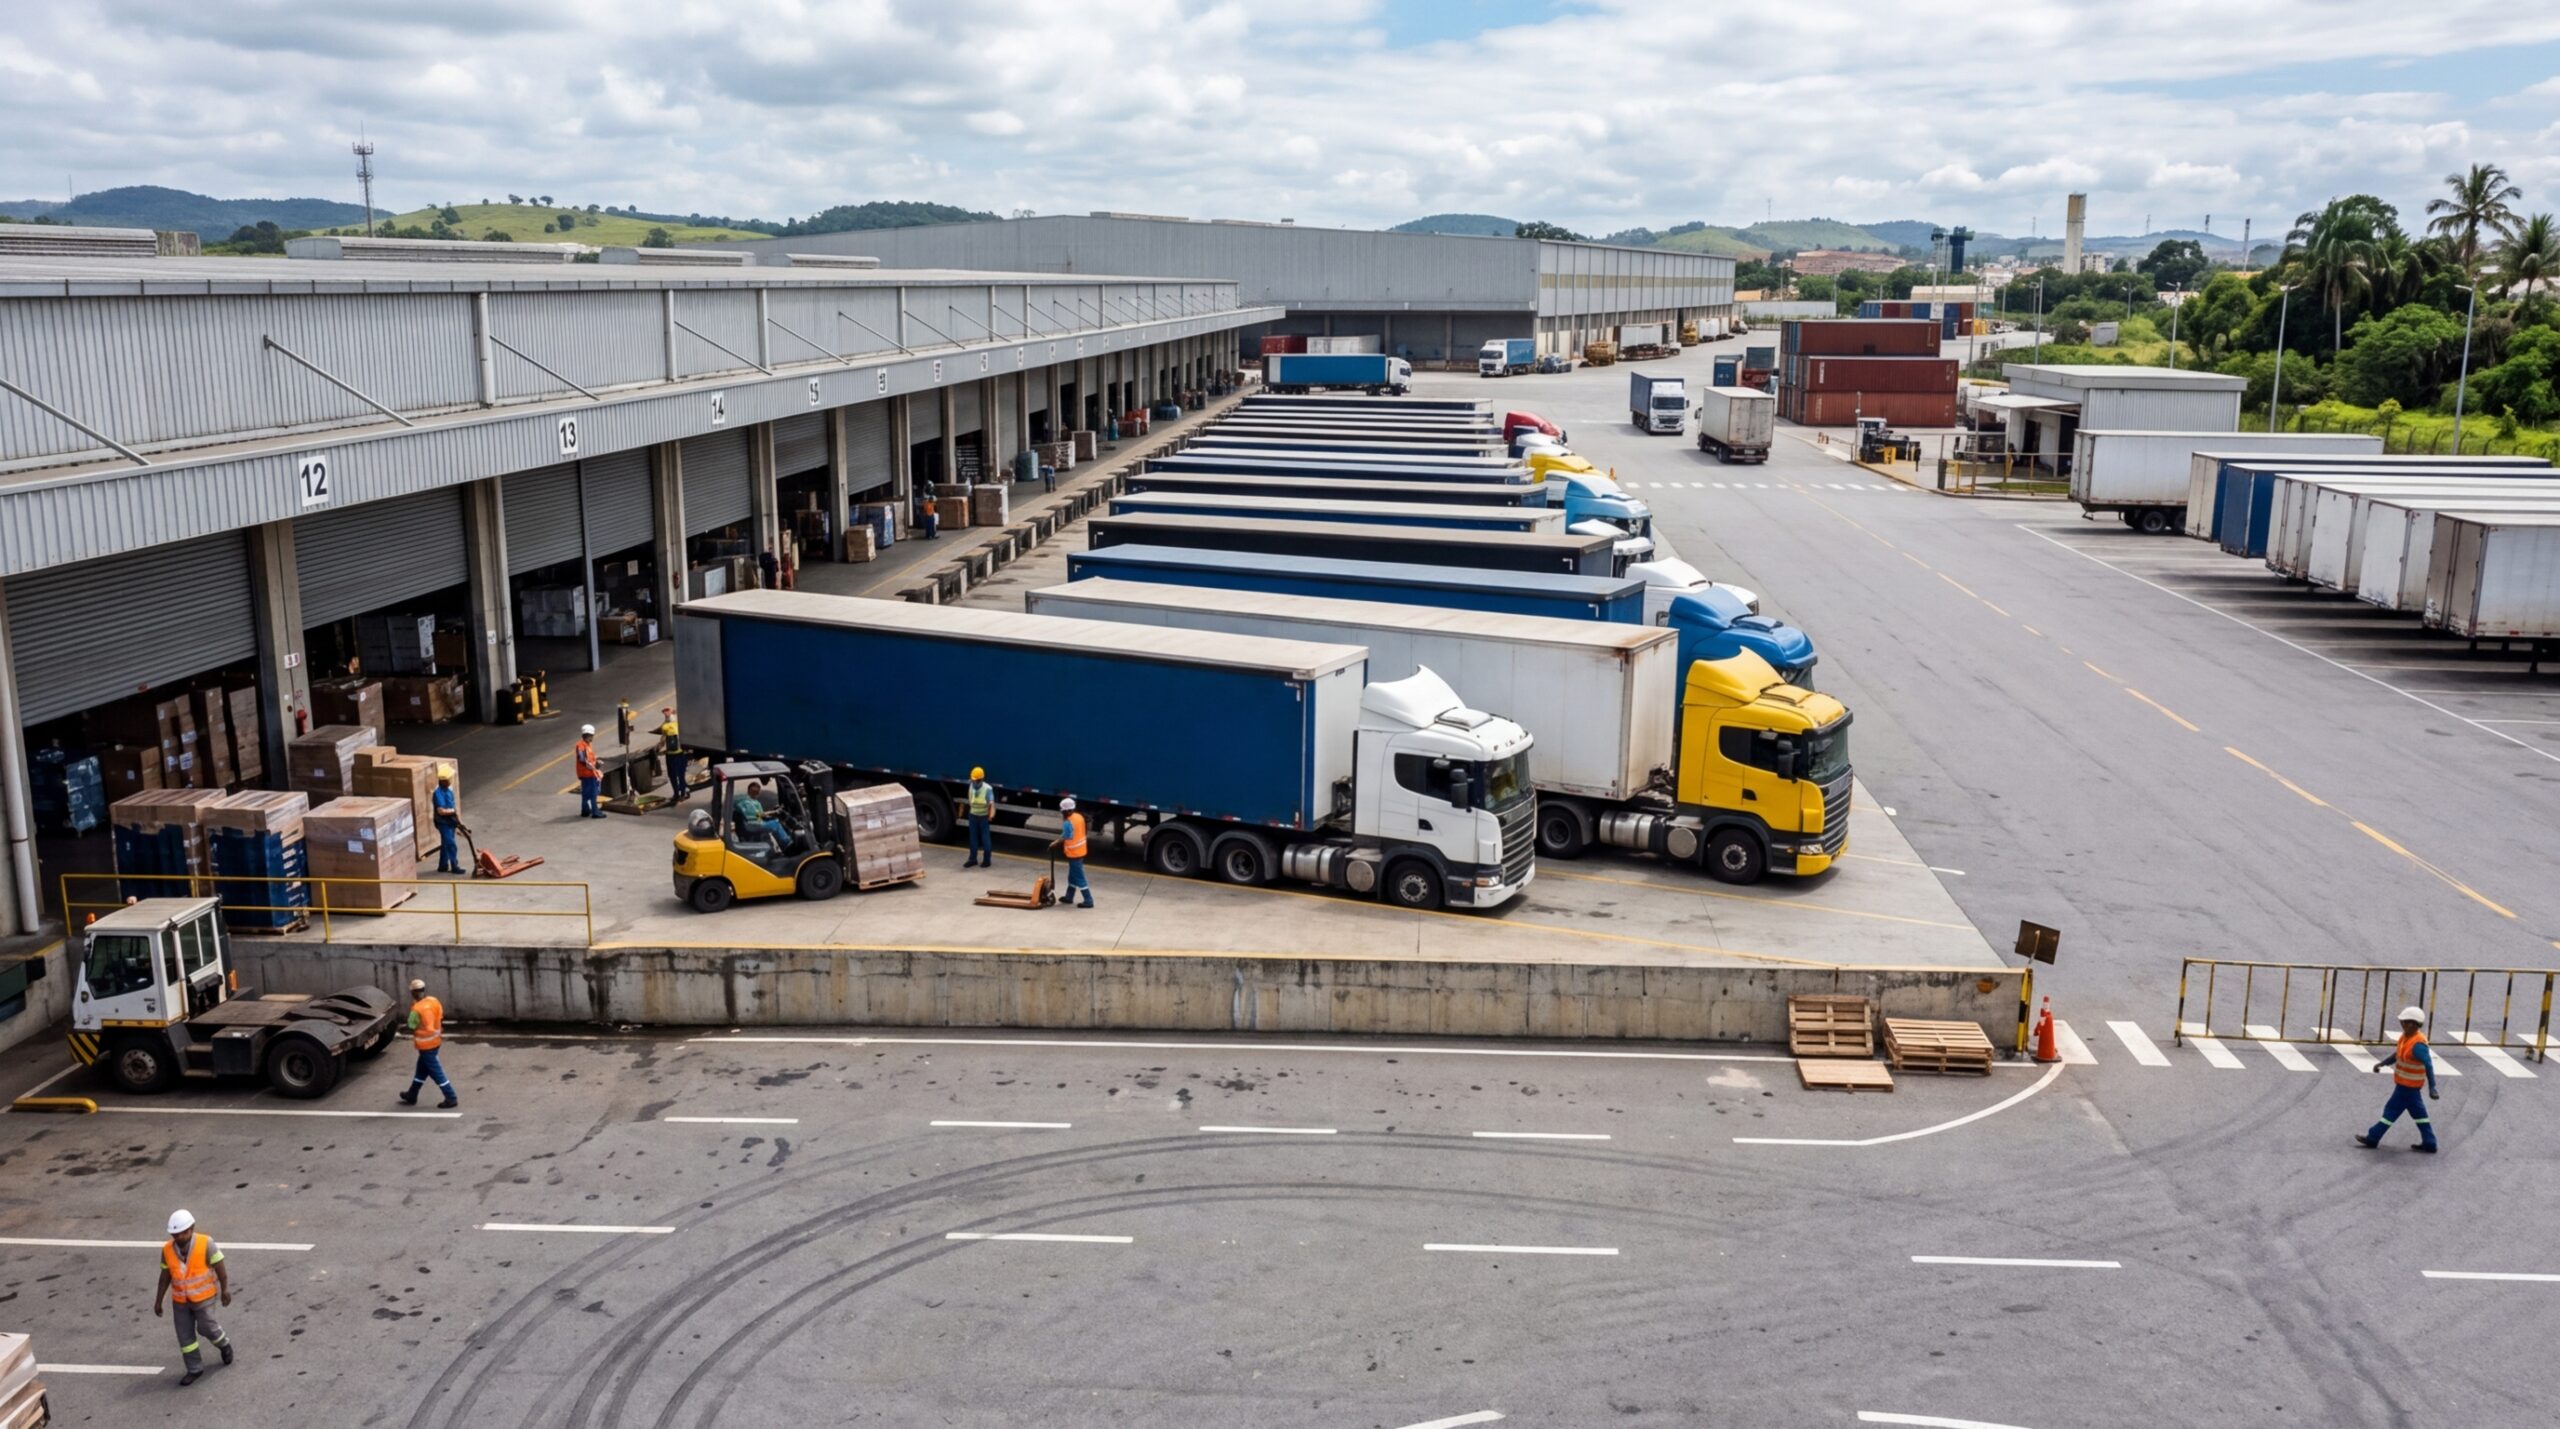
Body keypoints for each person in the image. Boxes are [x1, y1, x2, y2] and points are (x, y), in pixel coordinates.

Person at [154, 1208, 233, 1386]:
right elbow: (164, 1277)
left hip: (204, 1298)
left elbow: (220, 1267)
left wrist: (225, 1289)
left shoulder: (206, 1243)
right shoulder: (167, 1250)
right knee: (185, 1338)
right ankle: (194, 1368)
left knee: (207, 1327)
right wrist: (158, 1301)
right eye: (175, 1234)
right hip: (181, 1302)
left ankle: (223, 1344)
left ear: (191, 1229)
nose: (179, 1237)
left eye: (183, 1233)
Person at [2359, 1006, 2440, 1152]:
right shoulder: (2405, 1038)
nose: (2402, 1024)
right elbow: (2398, 1054)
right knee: (2419, 1114)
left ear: (2413, 1024)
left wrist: (2432, 1087)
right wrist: (2382, 1063)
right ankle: (2429, 1142)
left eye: (2404, 1022)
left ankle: (2373, 1137)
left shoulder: (2418, 1045)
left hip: (2408, 1086)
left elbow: (2428, 1065)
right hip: (2405, 1085)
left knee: (2391, 1111)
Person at [399, 978, 459, 1109]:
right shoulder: (434, 1001)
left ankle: (451, 1097)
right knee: (421, 1071)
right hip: (436, 1041)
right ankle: (412, 1094)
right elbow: (440, 1016)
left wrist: (403, 1028)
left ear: (413, 992)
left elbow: (411, 1026)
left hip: (425, 1045)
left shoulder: (416, 1009)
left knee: (437, 1073)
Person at [1048, 796, 1092, 909]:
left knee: (1079, 877)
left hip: (1074, 853)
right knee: (1072, 876)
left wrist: (1055, 843)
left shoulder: (1068, 822)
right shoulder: (1079, 817)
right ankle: (1069, 896)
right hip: (1081, 851)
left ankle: (1088, 900)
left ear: (1067, 811)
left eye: (1062, 811)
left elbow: (1066, 836)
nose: (1062, 813)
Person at [733, 780, 792, 856]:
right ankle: (787, 844)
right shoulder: (753, 802)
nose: (757, 794)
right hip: (754, 825)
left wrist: (770, 813)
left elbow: (757, 815)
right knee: (776, 824)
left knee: (772, 823)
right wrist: (775, 812)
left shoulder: (740, 801)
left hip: (749, 824)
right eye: (757, 793)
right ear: (757, 793)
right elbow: (760, 815)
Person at [430, 766, 462, 875]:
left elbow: (453, 806)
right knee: (450, 843)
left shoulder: (449, 790)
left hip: (451, 821)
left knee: (445, 844)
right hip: (443, 822)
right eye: (449, 779)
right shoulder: (438, 793)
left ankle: (442, 866)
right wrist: (452, 811)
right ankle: (454, 865)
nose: (450, 780)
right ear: (443, 781)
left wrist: (459, 822)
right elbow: (441, 811)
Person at [964, 767, 995, 868]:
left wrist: (990, 816)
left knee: (985, 839)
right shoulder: (971, 786)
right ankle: (972, 859)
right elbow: (970, 800)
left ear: (980, 779)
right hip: (973, 815)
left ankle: (987, 860)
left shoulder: (987, 789)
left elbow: (991, 804)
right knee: (973, 839)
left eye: (975, 780)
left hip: (983, 817)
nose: (974, 781)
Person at [658, 707, 688, 800]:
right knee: (681, 774)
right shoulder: (680, 723)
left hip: (671, 755)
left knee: (672, 775)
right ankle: (683, 793)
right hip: (680, 753)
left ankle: (676, 793)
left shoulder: (666, 726)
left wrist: (658, 749)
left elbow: (662, 741)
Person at [574, 724, 604, 819]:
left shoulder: (587, 745)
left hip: (587, 773)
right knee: (593, 793)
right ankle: (595, 812)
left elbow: (590, 758)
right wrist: (593, 766)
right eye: (591, 736)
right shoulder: (581, 745)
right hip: (587, 773)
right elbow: (582, 759)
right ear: (587, 735)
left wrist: (596, 762)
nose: (592, 738)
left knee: (586, 793)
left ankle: (585, 810)